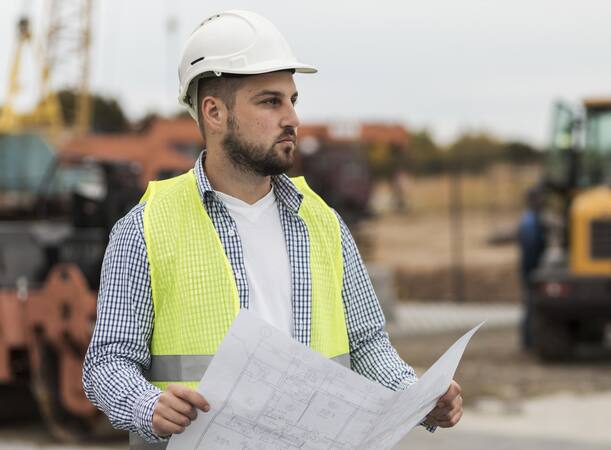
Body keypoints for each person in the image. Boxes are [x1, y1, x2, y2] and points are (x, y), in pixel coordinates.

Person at [82, 10, 462, 448]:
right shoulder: (144, 230)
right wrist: (148, 406)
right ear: (215, 112)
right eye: (270, 101)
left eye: (293, 100)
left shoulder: (324, 224)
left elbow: (368, 345)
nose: (292, 118)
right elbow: (107, 364)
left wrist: (416, 399)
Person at [518, 187, 547, 349]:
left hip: (529, 269)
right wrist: (533, 270)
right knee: (530, 305)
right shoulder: (530, 221)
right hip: (531, 269)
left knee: (529, 305)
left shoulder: (530, 219)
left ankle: (528, 339)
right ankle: (528, 340)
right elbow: (531, 247)